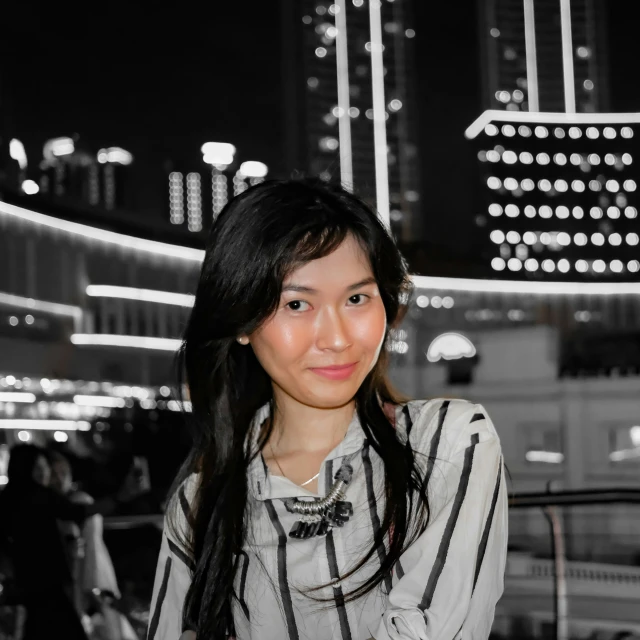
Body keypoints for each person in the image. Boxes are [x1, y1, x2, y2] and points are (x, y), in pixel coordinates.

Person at [148, 179, 509, 640]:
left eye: (357, 298)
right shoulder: (201, 505)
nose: (338, 338)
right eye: (297, 304)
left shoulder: (447, 443)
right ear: (240, 320)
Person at [0, 444, 141, 640]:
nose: (45, 474)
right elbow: (78, 511)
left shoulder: (7, 499)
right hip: (50, 581)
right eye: (39, 468)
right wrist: (121, 497)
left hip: (25, 583)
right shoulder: (41, 496)